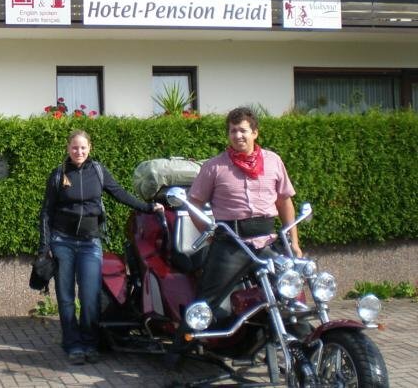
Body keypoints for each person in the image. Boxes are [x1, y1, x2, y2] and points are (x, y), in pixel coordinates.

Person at [167, 106, 303, 367]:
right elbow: (194, 202)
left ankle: (301, 347)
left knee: (290, 292)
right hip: (231, 244)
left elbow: (284, 201)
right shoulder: (214, 166)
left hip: (266, 242)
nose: (238, 135)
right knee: (207, 300)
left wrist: (293, 242)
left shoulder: (273, 161)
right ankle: (178, 350)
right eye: (232, 131)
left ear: (255, 132)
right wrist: (208, 231)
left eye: (243, 130)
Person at [38, 130, 163, 365]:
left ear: (89, 148)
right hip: (62, 242)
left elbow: (119, 193)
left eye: (83, 148)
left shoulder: (98, 171)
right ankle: (72, 344)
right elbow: (46, 212)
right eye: (75, 147)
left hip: (90, 243)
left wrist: (148, 208)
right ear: (68, 148)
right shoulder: (58, 174)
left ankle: (89, 342)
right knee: (65, 297)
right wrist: (45, 247)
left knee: (90, 296)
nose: (79, 152)